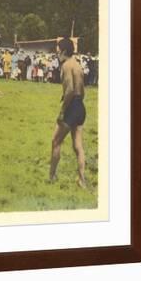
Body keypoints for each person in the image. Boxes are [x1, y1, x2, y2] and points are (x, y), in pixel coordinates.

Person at [50, 37, 87, 188]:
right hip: (80, 107)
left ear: (64, 50)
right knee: (78, 146)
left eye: (58, 49)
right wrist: (77, 104)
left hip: (71, 107)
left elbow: (70, 89)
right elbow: (82, 91)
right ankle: (82, 180)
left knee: (55, 141)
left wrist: (63, 110)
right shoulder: (77, 64)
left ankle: (51, 176)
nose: (56, 52)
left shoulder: (66, 65)